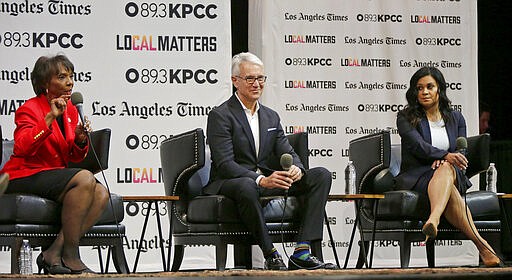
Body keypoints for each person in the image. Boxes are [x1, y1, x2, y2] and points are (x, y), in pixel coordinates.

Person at [204, 52, 336, 270]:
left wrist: (297, 169)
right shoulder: (221, 115)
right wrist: (260, 180)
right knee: (247, 185)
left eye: (260, 78)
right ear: (235, 81)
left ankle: (302, 251)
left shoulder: (271, 116)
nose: (257, 84)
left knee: (320, 174)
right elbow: (225, 164)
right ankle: (271, 254)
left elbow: (288, 151)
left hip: (266, 181)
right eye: (250, 79)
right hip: (234, 181)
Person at [0, 54, 109, 274]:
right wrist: (49, 117)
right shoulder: (30, 109)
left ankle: (54, 252)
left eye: (71, 76)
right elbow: (22, 147)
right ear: (44, 83)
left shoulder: (70, 111)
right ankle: (71, 253)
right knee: (85, 178)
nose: (70, 82)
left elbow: (73, 157)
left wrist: (79, 140)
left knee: (101, 194)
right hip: (23, 175)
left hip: (51, 174)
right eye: (62, 76)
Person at [395, 66, 501, 267]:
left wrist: (451, 159)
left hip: (451, 174)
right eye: (419, 88)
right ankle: (483, 246)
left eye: (429, 87)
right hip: (419, 176)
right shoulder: (405, 117)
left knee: (446, 170)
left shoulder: (456, 118)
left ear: (439, 89)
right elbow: (418, 146)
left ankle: (433, 219)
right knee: (448, 180)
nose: (424, 92)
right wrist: (445, 155)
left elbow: (462, 149)